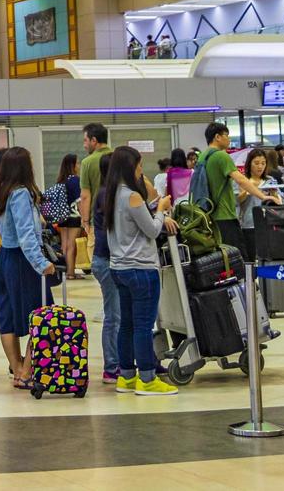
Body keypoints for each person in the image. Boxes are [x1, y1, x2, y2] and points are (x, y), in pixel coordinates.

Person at [102, 146, 179, 395]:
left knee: (127, 324)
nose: (140, 170)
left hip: (119, 268)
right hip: (141, 269)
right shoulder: (132, 197)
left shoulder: (112, 195)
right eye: (138, 166)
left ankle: (126, 376)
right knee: (143, 326)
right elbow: (153, 230)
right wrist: (160, 210)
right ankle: (147, 378)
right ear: (129, 167)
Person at [0, 148, 55, 388]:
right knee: (41, 313)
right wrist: (42, 264)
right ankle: (27, 372)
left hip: (3, 258)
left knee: (6, 315)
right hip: (22, 260)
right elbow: (26, 235)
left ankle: (18, 369)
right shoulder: (21, 194)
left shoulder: (1, 192)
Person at [76, 123, 121, 384]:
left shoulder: (89, 163)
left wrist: (86, 223)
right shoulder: (119, 159)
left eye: (85, 140)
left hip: (100, 229)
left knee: (111, 309)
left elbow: (85, 195)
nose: (84, 144)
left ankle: (112, 365)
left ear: (94, 140)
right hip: (122, 239)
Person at [196, 123, 280, 253]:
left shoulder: (203, 156)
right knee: (237, 256)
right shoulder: (221, 156)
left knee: (221, 256)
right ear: (217, 137)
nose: (229, 139)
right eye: (226, 135)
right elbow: (240, 180)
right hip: (225, 215)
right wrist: (263, 196)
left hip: (209, 213)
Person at [234, 148, 277, 261]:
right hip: (249, 225)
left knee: (268, 258)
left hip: (268, 223)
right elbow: (238, 201)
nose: (260, 167)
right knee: (250, 258)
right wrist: (249, 190)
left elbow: (278, 202)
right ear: (249, 164)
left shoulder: (270, 180)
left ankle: (266, 279)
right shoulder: (243, 181)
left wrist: (273, 193)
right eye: (256, 163)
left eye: (263, 163)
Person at [56, 153, 83, 278]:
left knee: (65, 244)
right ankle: (71, 272)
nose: (79, 166)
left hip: (62, 216)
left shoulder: (61, 180)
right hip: (73, 216)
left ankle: (66, 270)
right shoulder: (75, 180)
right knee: (72, 245)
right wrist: (84, 218)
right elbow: (79, 200)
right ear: (72, 165)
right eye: (78, 163)